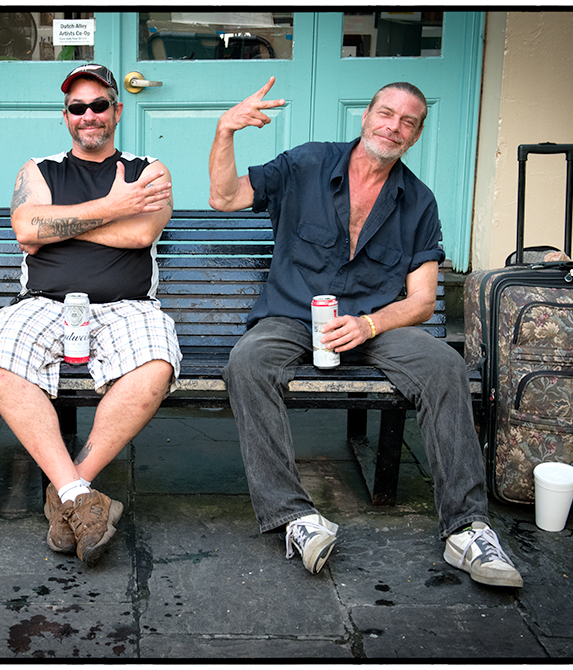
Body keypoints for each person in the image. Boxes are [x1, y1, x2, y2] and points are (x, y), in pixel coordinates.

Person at [208, 77, 523, 588]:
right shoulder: (307, 163)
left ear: (416, 136)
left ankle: (467, 529)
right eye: (386, 113)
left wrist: (369, 324)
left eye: (408, 122)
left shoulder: (418, 202)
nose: (393, 127)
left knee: (444, 365)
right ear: (366, 116)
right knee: (247, 363)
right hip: (291, 316)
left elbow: (421, 301)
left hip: (371, 326)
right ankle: (294, 517)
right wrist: (226, 131)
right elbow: (224, 198)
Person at [0, 64, 180, 566]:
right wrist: (114, 205)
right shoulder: (38, 170)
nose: (89, 115)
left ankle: (68, 489)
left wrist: (58, 225)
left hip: (128, 306)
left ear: (118, 110)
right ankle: (81, 499)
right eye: (77, 107)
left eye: (99, 105)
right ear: (65, 116)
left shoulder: (149, 169)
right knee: (0, 363)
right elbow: (25, 228)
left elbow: (140, 235)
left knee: (157, 364)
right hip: (44, 302)